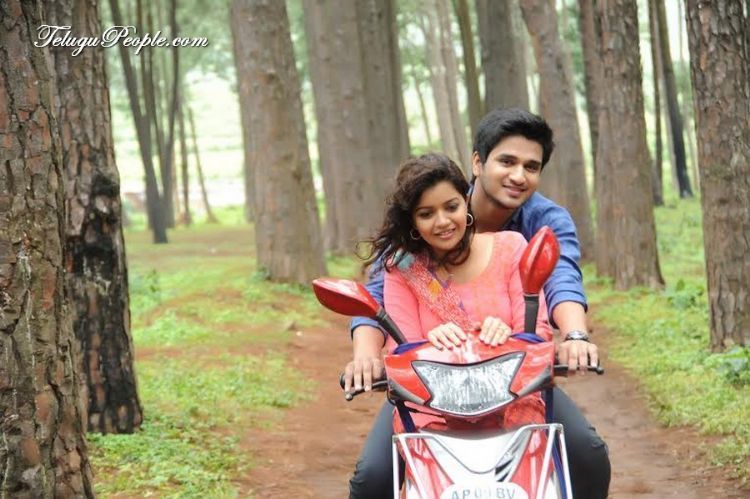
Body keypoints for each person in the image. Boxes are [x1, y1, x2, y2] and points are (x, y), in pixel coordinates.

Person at [346, 108, 610, 499]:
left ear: (463, 205)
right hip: (431, 400)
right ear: (477, 164)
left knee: (588, 455)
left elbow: (557, 286)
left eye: (531, 166)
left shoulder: (519, 241)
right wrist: (367, 357)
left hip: (515, 391)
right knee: (371, 479)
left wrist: (573, 336)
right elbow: (386, 319)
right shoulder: (403, 264)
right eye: (506, 161)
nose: (518, 175)